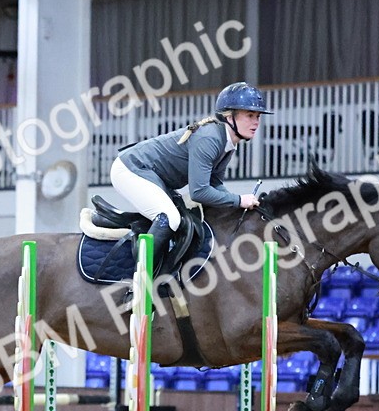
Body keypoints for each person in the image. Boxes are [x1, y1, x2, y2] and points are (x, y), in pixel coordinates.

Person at [110, 81, 269, 276]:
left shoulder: (227, 143)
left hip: (153, 176)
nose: (256, 122)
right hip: (131, 168)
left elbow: (214, 184)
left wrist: (238, 203)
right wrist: (239, 200)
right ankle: (139, 281)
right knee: (169, 219)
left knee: (183, 219)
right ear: (230, 115)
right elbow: (199, 192)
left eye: (258, 116)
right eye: (250, 115)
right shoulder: (210, 139)